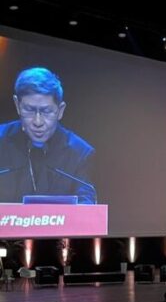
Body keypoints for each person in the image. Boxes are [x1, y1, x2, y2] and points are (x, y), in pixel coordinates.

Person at [0, 67, 96, 204]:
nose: (37, 122)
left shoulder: (80, 153)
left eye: (46, 111)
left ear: (60, 110)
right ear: (17, 105)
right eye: (29, 110)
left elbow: (87, 209)